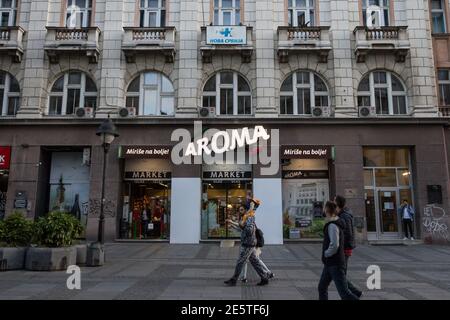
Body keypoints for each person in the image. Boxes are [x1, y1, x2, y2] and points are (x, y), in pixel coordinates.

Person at [224, 199, 272, 286]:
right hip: (249, 243)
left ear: (247, 209)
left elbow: (249, 230)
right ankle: (265, 277)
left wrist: (242, 224)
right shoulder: (246, 216)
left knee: (240, 262)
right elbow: (242, 228)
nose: (240, 211)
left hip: (248, 244)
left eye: (242, 210)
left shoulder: (249, 216)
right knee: (255, 261)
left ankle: (234, 280)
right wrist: (234, 223)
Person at [318, 201, 359, 300]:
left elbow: (335, 244)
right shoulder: (332, 223)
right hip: (330, 263)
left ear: (327, 210)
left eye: (324, 208)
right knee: (321, 287)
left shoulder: (332, 225)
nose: (323, 209)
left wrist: (327, 253)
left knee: (344, 293)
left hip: (335, 263)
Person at [334, 195, 362, 298]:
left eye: (334, 200)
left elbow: (347, 234)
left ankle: (351, 295)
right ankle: (355, 292)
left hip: (344, 249)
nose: (333, 202)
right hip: (344, 248)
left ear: (338, 203)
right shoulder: (342, 214)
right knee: (340, 273)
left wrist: (340, 247)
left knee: (340, 274)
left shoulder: (344, 216)